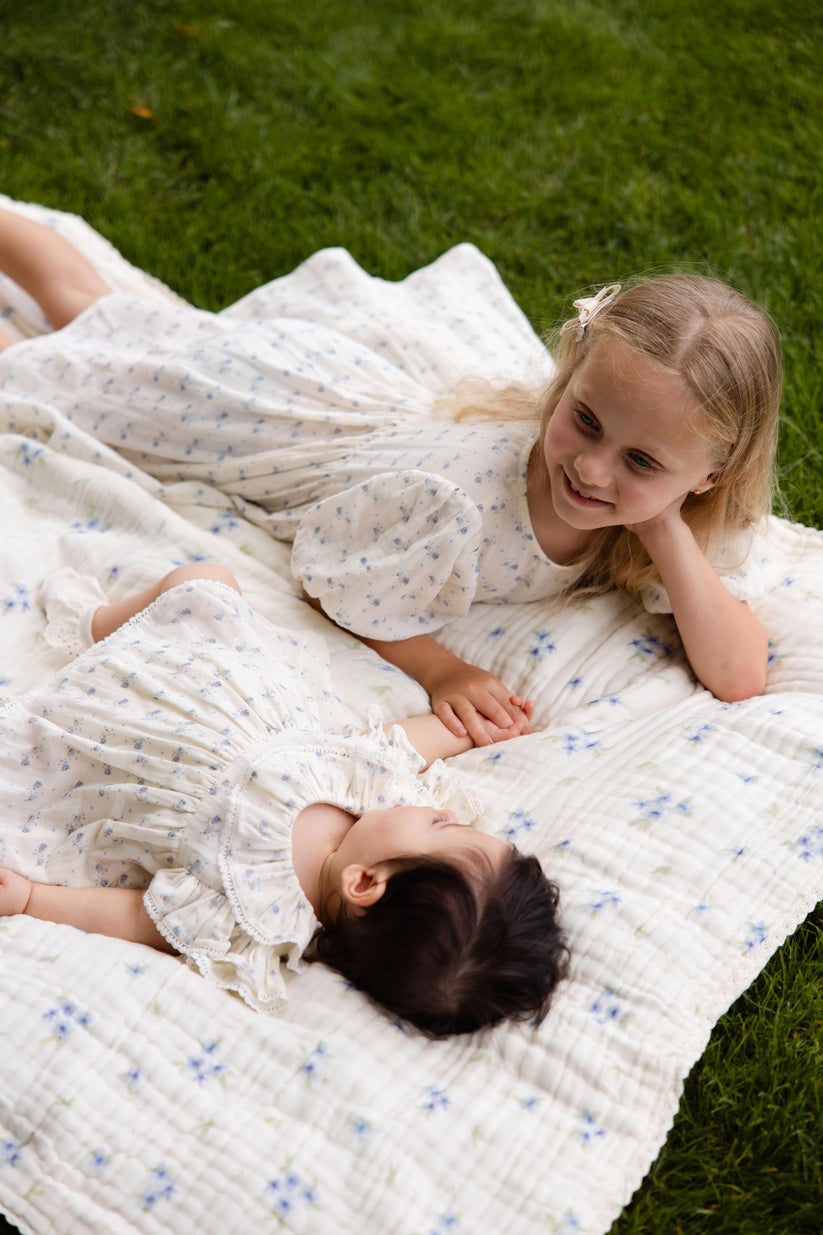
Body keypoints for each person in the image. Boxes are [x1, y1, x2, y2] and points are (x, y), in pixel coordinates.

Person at [0, 209, 781, 740]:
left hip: (326, 404)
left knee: (104, 323)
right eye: (583, 418)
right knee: (67, 360)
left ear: (709, 476)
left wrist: (661, 529)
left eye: (640, 460)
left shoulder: (661, 517)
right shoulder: (465, 504)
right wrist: (440, 668)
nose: (589, 465)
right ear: (569, 377)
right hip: (259, 424)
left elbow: (740, 675)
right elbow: (328, 574)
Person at [0, 563, 567, 1038]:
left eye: (443, 826)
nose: (438, 809)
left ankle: (86, 675)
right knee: (204, 581)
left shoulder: (255, 915)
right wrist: (469, 729)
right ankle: (99, 624)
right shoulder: (374, 802)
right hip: (207, 673)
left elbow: (141, 918)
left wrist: (31, 899)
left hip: (117, 741)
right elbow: (395, 746)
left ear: (365, 883)